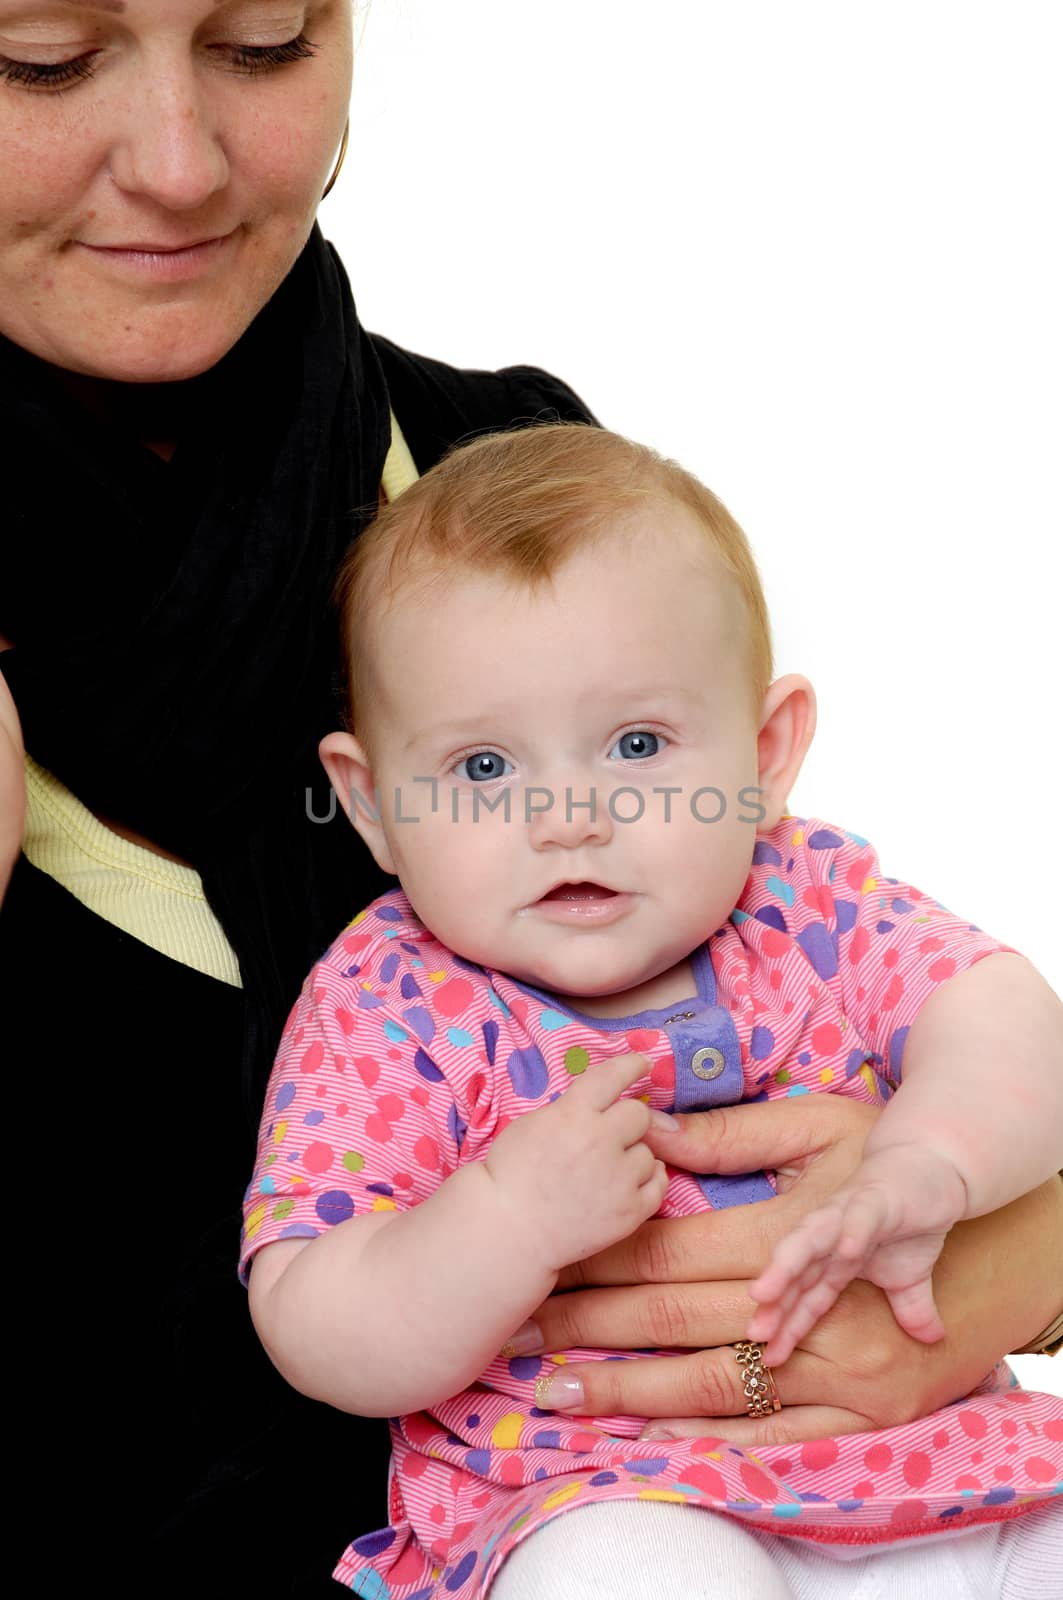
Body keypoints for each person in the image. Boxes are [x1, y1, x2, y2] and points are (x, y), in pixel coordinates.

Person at [0, 3, 1060, 1594]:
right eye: (46, 61)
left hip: (905, 1489)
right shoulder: (386, 998)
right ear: (362, 795)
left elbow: (956, 1030)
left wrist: (988, 1260)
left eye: (265, 39)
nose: (177, 163)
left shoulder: (515, 485)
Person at [243, 424, 1063, 1598]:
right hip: (605, 1498)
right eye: (484, 768)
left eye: (635, 744)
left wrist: (932, 1159)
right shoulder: (387, 1002)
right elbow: (312, 1312)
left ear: (765, 754)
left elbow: (1004, 1014)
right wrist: (502, 1221)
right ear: (371, 805)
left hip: (945, 1468)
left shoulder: (811, 897)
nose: (570, 813)